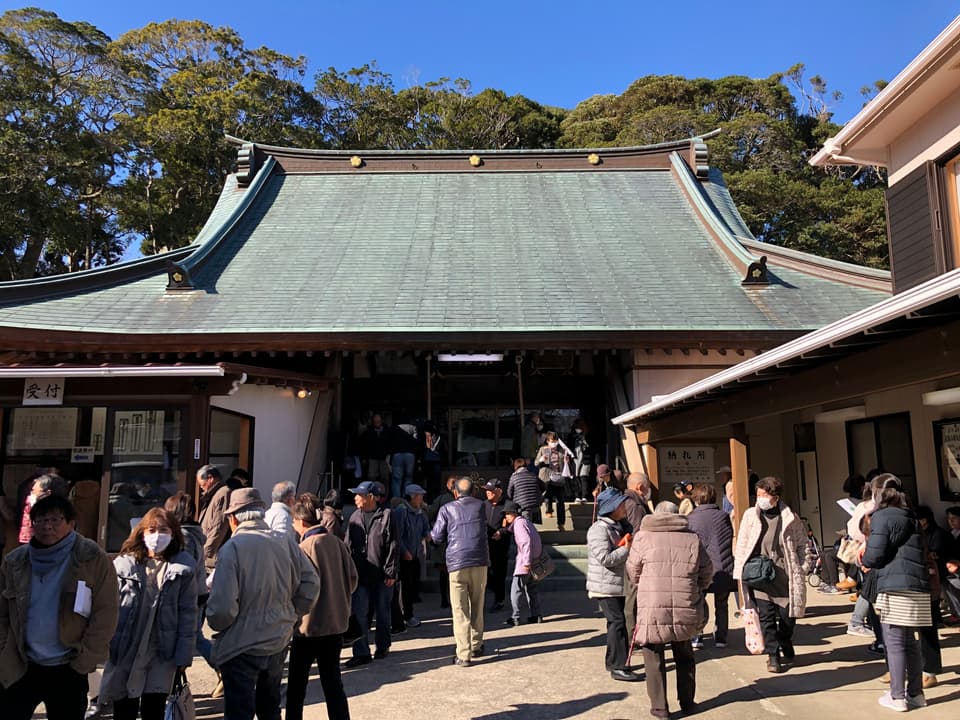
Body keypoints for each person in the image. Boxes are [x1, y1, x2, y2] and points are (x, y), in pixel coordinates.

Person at [0, 493, 120, 720]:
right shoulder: (15, 561)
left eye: (55, 520)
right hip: (20, 663)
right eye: (41, 521)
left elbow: (106, 613)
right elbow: (2, 613)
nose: (47, 526)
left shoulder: (91, 557)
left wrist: (85, 659)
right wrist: (3, 650)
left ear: (71, 523)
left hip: (69, 664)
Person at [206, 488, 319, 720]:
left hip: (241, 645)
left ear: (233, 518)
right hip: (277, 637)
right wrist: (291, 613)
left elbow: (221, 610)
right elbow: (311, 584)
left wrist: (219, 624)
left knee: (240, 712)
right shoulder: (285, 542)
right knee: (270, 709)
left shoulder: (233, 548)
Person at [99, 509, 198, 720]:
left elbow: (188, 615)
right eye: (151, 530)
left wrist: (184, 655)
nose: (157, 535)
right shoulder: (124, 565)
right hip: (126, 647)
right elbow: (108, 607)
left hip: (162, 650)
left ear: (173, 534)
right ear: (141, 533)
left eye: (163, 530)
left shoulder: (182, 567)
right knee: (124, 706)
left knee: (154, 708)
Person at [626, 501, 712, 718]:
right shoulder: (692, 538)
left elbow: (633, 569)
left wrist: (645, 584)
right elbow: (707, 570)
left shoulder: (643, 536)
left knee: (653, 657)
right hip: (685, 601)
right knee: (684, 655)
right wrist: (698, 586)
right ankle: (687, 702)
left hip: (652, 604)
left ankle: (659, 707)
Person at [860, 475, 929, 711]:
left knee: (894, 641)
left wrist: (865, 558)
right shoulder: (911, 516)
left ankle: (897, 696)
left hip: (894, 584)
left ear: (878, 493)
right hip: (917, 584)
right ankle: (916, 693)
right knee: (910, 642)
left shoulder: (882, 516)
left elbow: (875, 555)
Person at [287, 496, 358, 720]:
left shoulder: (303, 547)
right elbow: (353, 579)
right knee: (333, 681)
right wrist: (340, 597)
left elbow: (294, 587)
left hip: (308, 626)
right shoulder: (336, 542)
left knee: (297, 685)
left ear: (300, 521)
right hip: (336, 623)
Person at [733, 476, 813, 674]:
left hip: (784, 574)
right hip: (759, 574)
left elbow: (803, 544)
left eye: (764, 495)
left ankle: (784, 639)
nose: (760, 498)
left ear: (775, 497)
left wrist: (803, 566)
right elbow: (741, 544)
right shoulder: (751, 515)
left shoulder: (789, 517)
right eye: (758, 494)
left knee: (788, 617)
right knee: (767, 617)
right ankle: (773, 654)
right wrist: (740, 569)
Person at [430, 476, 491, 666]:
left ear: (455, 492)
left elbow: (437, 536)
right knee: (477, 604)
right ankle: (476, 644)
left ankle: (464, 654)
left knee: (459, 610)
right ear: (473, 491)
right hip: (480, 560)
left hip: (456, 563)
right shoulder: (482, 506)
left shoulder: (446, 509)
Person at [343, 480, 398, 667]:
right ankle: (361, 652)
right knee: (359, 613)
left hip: (382, 574)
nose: (356, 498)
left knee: (383, 612)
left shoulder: (387, 515)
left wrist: (391, 571)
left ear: (371, 497)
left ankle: (382, 646)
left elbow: (393, 544)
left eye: (359, 495)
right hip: (360, 575)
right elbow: (347, 546)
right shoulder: (354, 517)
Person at [587, 489, 639, 682]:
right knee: (617, 623)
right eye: (621, 505)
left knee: (616, 623)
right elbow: (605, 558)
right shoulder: (598, 529)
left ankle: (616, 662)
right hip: (604, 585)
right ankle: (618, 665)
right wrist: (626, 549)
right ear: (611, 508)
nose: (624, 507)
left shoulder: (617, 526)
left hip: (615, 583)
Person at [164, 492, 211, 668]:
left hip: (190, 594)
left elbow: (185, 569)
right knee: (194, 636)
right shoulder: (193, 533)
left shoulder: (184, 537)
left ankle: (223, 667)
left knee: (192, 636)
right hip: (199, 591)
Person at [686, 483, 734, 649]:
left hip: (701, 569)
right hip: (723, 565)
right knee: (722, 604)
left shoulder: (691, 518)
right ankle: (721, 637)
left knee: (698, 602)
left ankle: (697, 636)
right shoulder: (723, 516)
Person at [393, 483, 431, 627]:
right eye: (419, 495)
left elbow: (425, 528)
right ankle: (405, 615)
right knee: (405, 587)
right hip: (404, 557)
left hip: (415, 555)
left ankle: (408, 614)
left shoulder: (420, 512)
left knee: (413, 586)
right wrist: (404, 551)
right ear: (412, 497)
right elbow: (398, 535)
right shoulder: (401, 512)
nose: (422, 498)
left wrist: (427, 534)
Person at [501, 500, 543, 627]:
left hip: (525, 563)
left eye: (507, 514)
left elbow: (525, 542)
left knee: (516, 589)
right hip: (534, 560)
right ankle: (536, 615)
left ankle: (515, 616)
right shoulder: (525, 522)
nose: (506, 516)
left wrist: (526, 562)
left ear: (514, 514)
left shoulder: (519, 524)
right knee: (532, 589)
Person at [621, 472, 653, 641]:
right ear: (640, 487)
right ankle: (633, 637)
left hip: (629, 556)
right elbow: (639, 533)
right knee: (633, 599)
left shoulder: (626, 501)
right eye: (647, 487)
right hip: (635, 558)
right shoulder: (635, 505)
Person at [196, 464, 231, 571]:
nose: (201, 488)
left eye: (202, 485)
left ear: (210, 478)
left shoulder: (223, 493)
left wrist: (205, 554)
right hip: (209, 556)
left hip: (213, 559)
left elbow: (218, 527)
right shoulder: (214, 495)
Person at [535, 431, 573, 531]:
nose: (554, 443)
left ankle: (561, 523)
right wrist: (541, 460)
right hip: (546, 477)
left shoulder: (562, 450)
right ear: (547, 441)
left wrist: (567, 462)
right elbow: (535, 463)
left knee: (560, 500)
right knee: (547, 496)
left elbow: (567, 465)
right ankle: (549, 510)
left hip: (558, 477)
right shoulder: (543, 450)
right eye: (552, 441)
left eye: (555, 441)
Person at [483, 479, 510, 611]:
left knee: (499, 574)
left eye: (491, 490)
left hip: (500, 547)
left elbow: (512, 525)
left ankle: (499, 600)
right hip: (485, 545)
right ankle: (495, 592)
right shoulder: (483, 505)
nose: (488, 493)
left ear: (499, 491)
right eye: (487, 490)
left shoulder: (507, 505)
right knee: (486, 574)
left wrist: (502, 532)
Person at [388, 421, 419, 499]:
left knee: (396, 480)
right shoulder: (413, 426)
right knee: (408, 478)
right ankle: (406, 499)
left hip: (397, 454)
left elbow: (390, 441)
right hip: (410, 454)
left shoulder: (395, 427)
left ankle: (397, 501)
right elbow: (416, 441)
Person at [507, 457, 543, 522]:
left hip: (522, 506)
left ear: (515, 467)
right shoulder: (533, 475)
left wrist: (515, 498)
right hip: (535, 504)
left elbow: (509, 493)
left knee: (526, 524)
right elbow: (543, 486)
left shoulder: (514, 477)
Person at [359, 414, 391, 485]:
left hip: (384, 457)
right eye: (375, 421)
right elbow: (364, 445)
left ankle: (384, 495)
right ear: (373, 422)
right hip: (372, 457)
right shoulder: (369, 431)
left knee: (385, 478)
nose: (377, 422)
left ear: (381, 421)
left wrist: (389, 454)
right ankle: (372, 494)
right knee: (371, 477)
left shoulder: (387, 431)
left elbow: (390, 443)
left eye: (378, 421)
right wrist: (364, 457)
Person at [569, 417, 593, 502]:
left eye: (579, 427)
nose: (577, 430)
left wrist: (585, 444)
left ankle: (584, 496)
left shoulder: (587, 437)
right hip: (575, 460)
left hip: (585, 460)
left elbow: (591, 449)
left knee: (583, 477)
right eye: (576, 428)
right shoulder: (572, 437)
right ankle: (577, 496)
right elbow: (568, 447)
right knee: (575, 478)